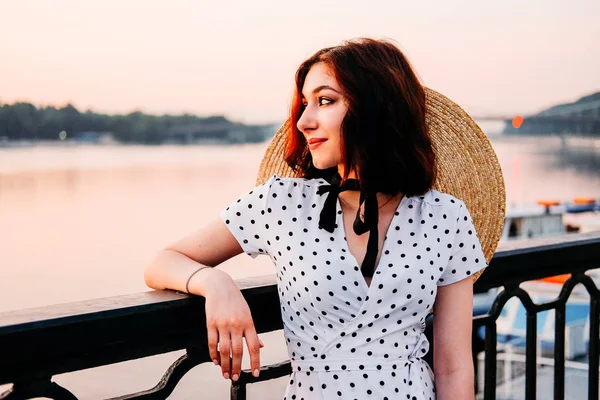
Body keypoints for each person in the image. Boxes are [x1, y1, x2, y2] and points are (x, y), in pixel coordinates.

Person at [144, 38, 505, 400]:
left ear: (376, 107)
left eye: (325, 101)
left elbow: (453, 366)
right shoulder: (281, 202)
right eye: (304, 104)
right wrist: (215, 283)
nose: (303, 121)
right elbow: (163, 261)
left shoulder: (446, 216)